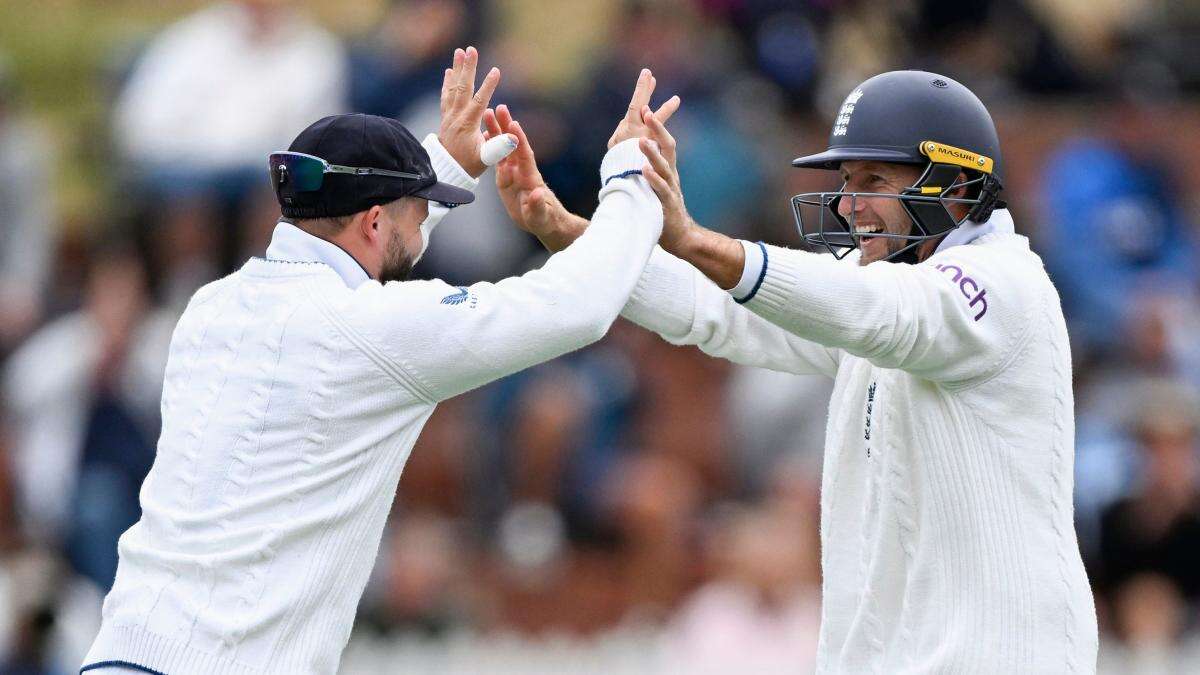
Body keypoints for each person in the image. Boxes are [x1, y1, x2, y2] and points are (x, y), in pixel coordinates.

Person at [80, 47, 677, 674]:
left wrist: (440, 162)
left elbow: (369, 251)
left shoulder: (210, 309)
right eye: (418, 213)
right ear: (371, 221)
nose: (423, 229)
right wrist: (629, 182)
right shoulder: (371, 331)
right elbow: (578, 306)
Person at [491, 70, 1099, 671]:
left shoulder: (1003, 283)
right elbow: (717, 312)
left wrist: (696, 239)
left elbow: (884, 313)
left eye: (875, 180)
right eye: (847, 181)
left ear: (957, 190)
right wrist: (567, 231)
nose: (849, 203)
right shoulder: (875, 288)